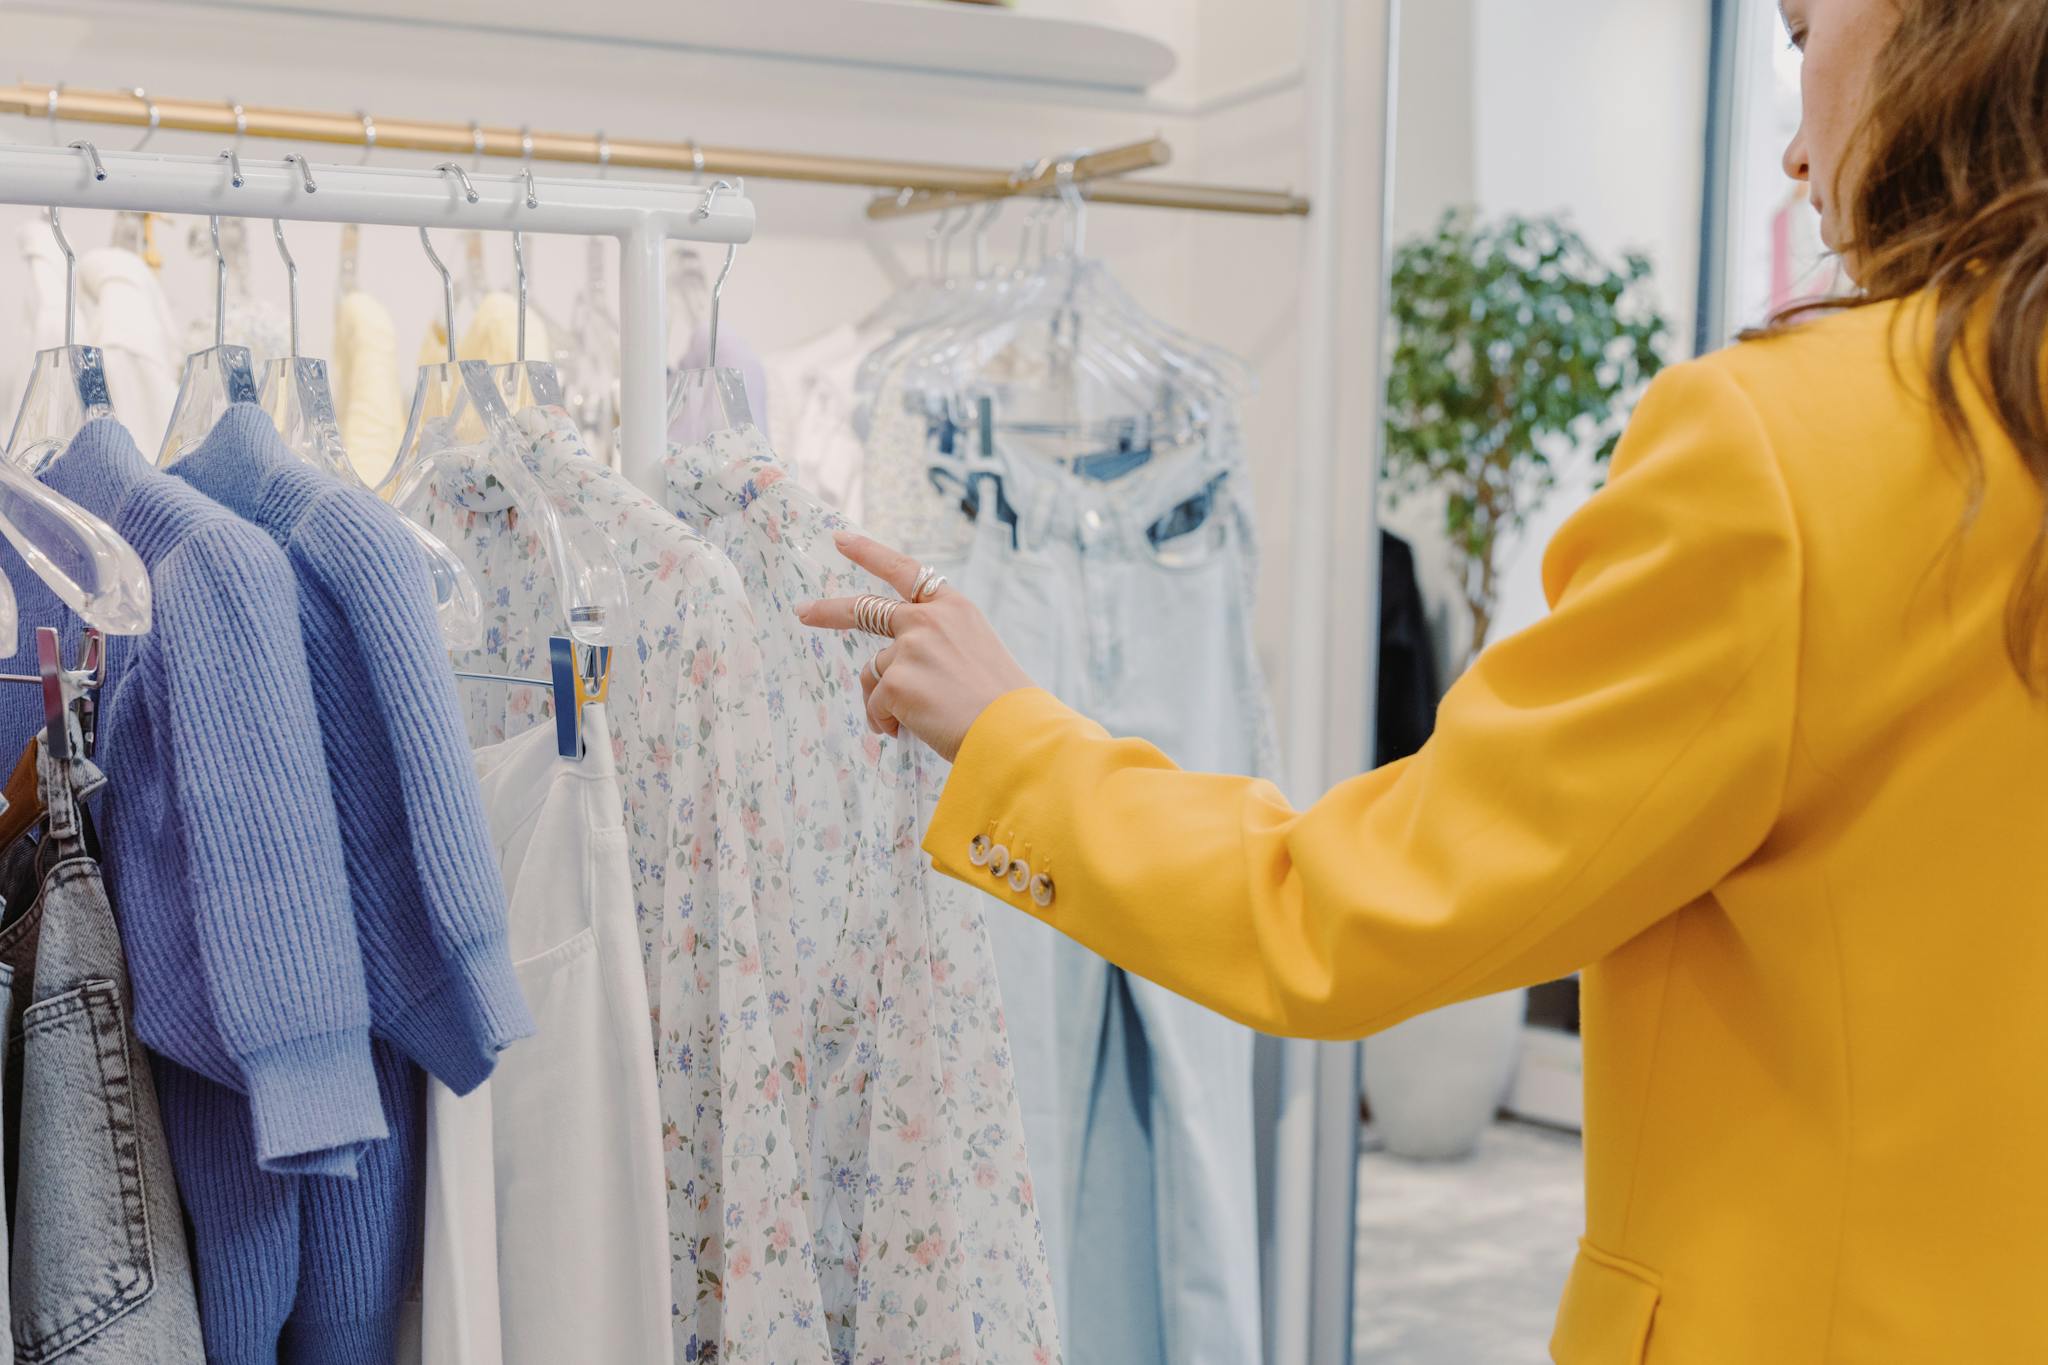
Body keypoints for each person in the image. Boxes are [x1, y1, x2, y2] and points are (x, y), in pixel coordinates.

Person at [801, 0, 2048, 1358]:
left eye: (1801, 38)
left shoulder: (1797, 453)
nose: (1798, 154)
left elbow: (1352, 908)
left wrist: (1013, 740)